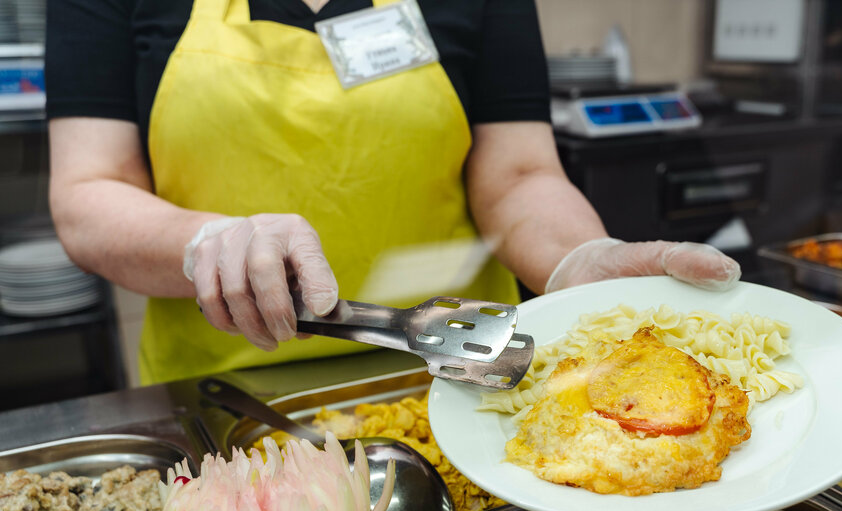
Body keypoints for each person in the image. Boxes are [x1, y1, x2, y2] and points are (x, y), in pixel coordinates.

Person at [45, 0, 741, 385]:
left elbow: (519, 175)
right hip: (228, 391)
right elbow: (88, 190)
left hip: (462, 380)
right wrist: (202, 243)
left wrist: (579, 260)